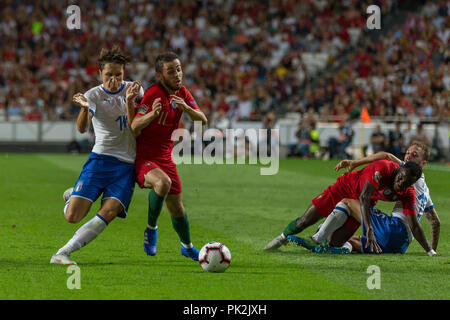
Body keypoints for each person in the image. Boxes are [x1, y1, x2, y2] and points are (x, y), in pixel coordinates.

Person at [50, 46, 144, 265]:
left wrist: (132, 101)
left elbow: (139, 124)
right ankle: (72, 196)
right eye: (109, 74)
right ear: (100, 74)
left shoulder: (135, 90)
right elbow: (82, 128)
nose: (114, 79)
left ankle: (62, 253)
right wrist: (84, 108)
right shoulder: (94, 95)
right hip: (101, 159)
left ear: (124, 73)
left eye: (118, 74)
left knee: (110, 210)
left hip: (127, 165)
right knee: (72, 217)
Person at [293, 141, 440, 256]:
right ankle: (340, 244)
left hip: (394, 228)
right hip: (403, 244)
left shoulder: (409, 174)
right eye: (407, 153)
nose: (408, 157)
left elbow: (386, 156)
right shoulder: (425, 190)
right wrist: (431, 250)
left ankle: (318, 237)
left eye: (414, 155)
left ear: (423, 163)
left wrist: (355, 163)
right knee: (355, 239)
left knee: (349, 202)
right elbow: (435, 222)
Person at [131, 52, 207, 261]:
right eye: (171, 71)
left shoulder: (182, 92)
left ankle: (187, 246)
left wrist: (185, 108)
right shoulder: (153, 93)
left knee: (177, 208)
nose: (177, 74)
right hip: (145, 156)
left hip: (166, 156)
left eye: (179, 69)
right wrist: (151, 115)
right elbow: (134, 125)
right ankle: (151, 229)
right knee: (163, 183)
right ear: (159, 75)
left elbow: (203, 119)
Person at [264, 159, 423, 254]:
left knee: (335, 243)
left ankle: (327, 234)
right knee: (304, 221)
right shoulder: (384, 167)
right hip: (345, 189)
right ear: (399, 169)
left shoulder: (406, 190)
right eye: (402, 178)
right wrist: (369, 229)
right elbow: (364, 197)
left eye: (408, 183)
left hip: (361, 203)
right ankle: (281, 239)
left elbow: (414, 223)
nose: (402, 184)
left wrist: (430, 250)